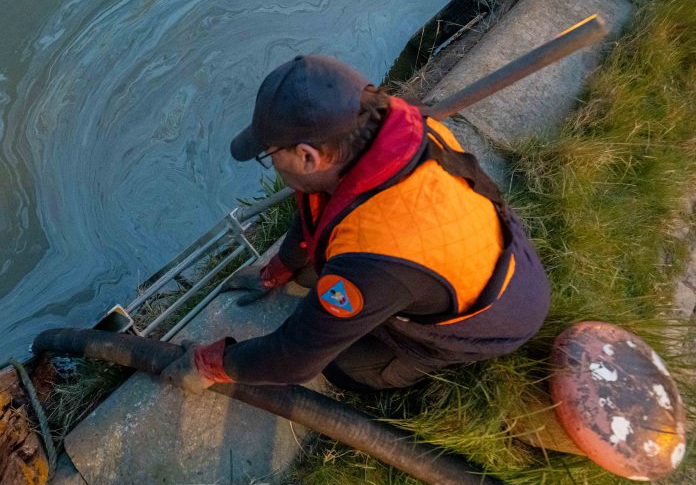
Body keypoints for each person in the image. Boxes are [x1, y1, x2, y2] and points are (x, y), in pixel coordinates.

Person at [162, 55, 550, 394]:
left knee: (343, 367)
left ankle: (424, 359)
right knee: (333, 276)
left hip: (495, 319)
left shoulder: (374, 261)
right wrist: (280, 268)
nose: (271, 162)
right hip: (485, 251)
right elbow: (318, 207)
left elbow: (294, 360)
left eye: (270, 155)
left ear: (308, 156)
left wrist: (211, 364)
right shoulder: (389, 129)